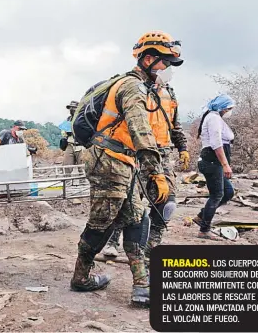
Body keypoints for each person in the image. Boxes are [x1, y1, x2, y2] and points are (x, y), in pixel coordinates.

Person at [70, 30, 181, 306]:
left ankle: (142, 286)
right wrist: (156, 172)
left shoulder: (144, 87)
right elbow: (140, 129)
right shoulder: (132, 87)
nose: (166, 69)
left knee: (137, 219)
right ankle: (80, 277)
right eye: (163, 62)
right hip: (108, 161)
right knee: (101, 223)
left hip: (123, 160)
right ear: (148, 59)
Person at [102, 80, 189, 265]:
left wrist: (183, 147)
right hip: (136, 152)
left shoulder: (169, 93)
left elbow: (174, 124)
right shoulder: (136, 89)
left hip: (163, 154)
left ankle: (151, 246)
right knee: (128, 202)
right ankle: (113, 240)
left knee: (167, 204)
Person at [192, 94, 236, 240]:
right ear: (223, 107)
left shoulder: (215, 117)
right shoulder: (213, 118)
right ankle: (204, 230)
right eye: (229, 108)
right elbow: (216, 143)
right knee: (217, 194)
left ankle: (201, 216)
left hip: (214, 162)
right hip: (212, 161)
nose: (230, 111)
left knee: (228, 192)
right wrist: (225, 165)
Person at [61, 101, 84, 177]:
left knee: (83, 168)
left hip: (81, 145)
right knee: (66, 167)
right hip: (70, 144)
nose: (72, 109)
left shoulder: (83, 118)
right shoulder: (68, 119)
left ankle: (84, 186)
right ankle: (66, 186)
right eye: (71, 108)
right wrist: (66, 133)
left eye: (73, 108)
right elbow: (63, 131)